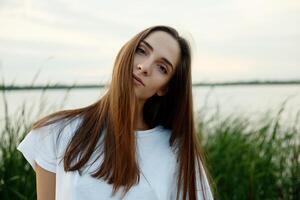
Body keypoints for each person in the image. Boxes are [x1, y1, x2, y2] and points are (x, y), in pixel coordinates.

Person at [17, 25, 214, 200]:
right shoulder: (55, 132)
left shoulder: (177, 153)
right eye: (142, 51)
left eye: (162, 67)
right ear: (126, 52)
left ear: (164, 88)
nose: (144, 67)